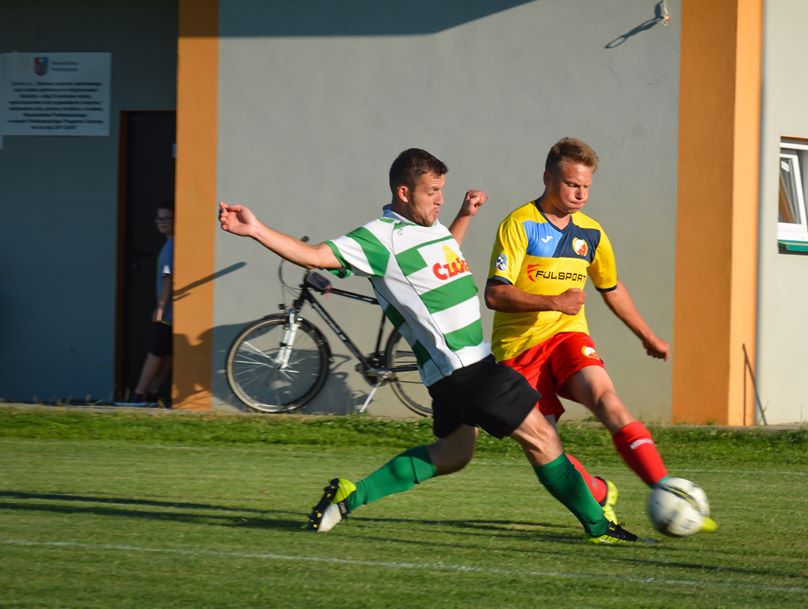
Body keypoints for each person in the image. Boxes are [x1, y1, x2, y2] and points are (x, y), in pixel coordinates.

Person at [218, 147, 638, 545]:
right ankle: (598, 525)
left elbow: (440, 252)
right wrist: (255, 229)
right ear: (404, 193)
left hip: (450, 376)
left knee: (454, 454)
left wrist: (464, 216)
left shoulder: (429, 227)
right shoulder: (379, 238)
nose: (439, 199)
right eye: (432, 191)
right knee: (543, 439)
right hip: (468, 370)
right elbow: (313, 255)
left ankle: (348, 497)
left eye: (442, 191)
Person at [484, 137, 715, 534]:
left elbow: (611, 286)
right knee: (544, 447)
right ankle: (599, 492)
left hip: (568, 337)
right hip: (518, 350)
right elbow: (495, 294)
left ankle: (666, 491)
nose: (580, 194)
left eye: (586, 186)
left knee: (607, 400)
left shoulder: (591, 233)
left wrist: (647, 335)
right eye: (571, 184)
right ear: (548, 178)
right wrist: (554, 301)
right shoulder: (519, 224)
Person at [130, 201, 175, 406]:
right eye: (159, 219)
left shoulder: (171, 246)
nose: (163, 222)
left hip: (168, 311)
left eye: (168, 218)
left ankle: (139, 394)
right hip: (171, 311)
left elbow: (168, 277)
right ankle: (153, 391)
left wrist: (161, 307)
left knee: (156, 350)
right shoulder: (170, 244)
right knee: (167, 352)